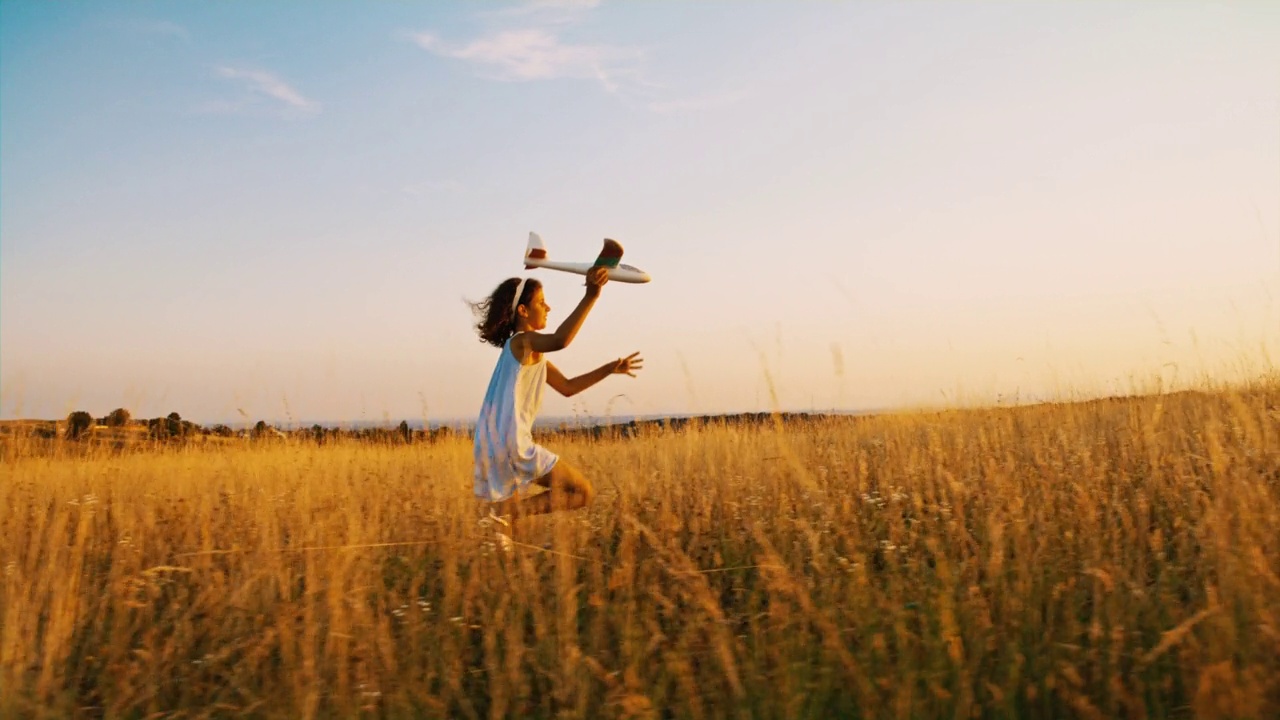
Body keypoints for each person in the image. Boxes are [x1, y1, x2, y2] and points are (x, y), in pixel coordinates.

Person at [468, 266, 643, 527]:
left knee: (506, 534)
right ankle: (504, 516)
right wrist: (591, 295)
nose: (548, 307)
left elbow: (568, 387)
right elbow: (561, 340)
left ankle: (499, 521)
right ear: (523, 311)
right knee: (581, 492)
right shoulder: (522, 342)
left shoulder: (527, 354)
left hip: (495, 445)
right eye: (541, 302)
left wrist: (609, 369)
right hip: (513, 444)